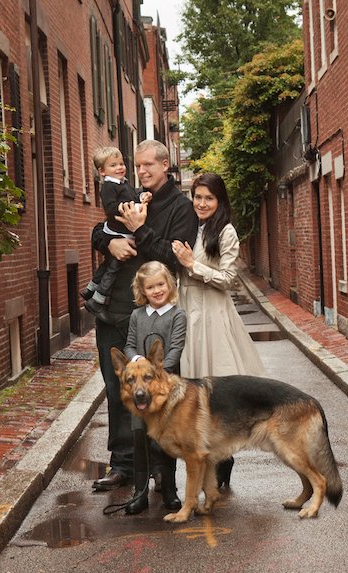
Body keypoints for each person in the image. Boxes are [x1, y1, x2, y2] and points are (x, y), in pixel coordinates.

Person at [90, 140, 198, 502]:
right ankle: (121, 464)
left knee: (159, 391)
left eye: (149, 165)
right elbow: (100, 229)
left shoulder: (180, 207)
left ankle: (158, 468)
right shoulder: (130, 196)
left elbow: (174, 256)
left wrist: (139, 229)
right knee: (115, 386)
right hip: (115, 308)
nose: (142, 172)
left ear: (166, 165)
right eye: (138, 166)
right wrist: (109, 245)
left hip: (155, 316)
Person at [172, 172, 265, 488]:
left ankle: (224, 462)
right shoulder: (188, 226)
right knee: (191, 391)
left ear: (219, 200)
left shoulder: (225, 232)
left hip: (213, 314)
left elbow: (227, 279)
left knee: (218, 391)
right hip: (187, 313)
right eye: (197, 197)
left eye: (208, 198)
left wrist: (191, 265)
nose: (201, 203)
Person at [121, 261, 186, 514]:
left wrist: (155, 373)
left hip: (165, 390)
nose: (157, 290)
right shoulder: (137, 316)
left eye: (161, 284)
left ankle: (170, 491)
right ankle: (139, 493)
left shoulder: (177, 315)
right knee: (140, 439)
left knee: (166, 440)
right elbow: (128, 345)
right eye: (151, 287)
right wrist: (136, 360)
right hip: (139, 391)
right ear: (142, 291)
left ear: (169, 285)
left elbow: (175, 351)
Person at [81, 147, 152, 323]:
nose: (120, 167)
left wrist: (142, 195)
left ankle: (90, 289)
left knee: (108, 264)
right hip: (117, 230)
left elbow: (133, 194)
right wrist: (131, 208)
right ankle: (97, 301)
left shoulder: (122, 183)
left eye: (121, 163)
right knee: (114, 265)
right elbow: (111, 208)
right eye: (113, 165)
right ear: (102, 171)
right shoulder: (108, 186)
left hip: (123, 230)